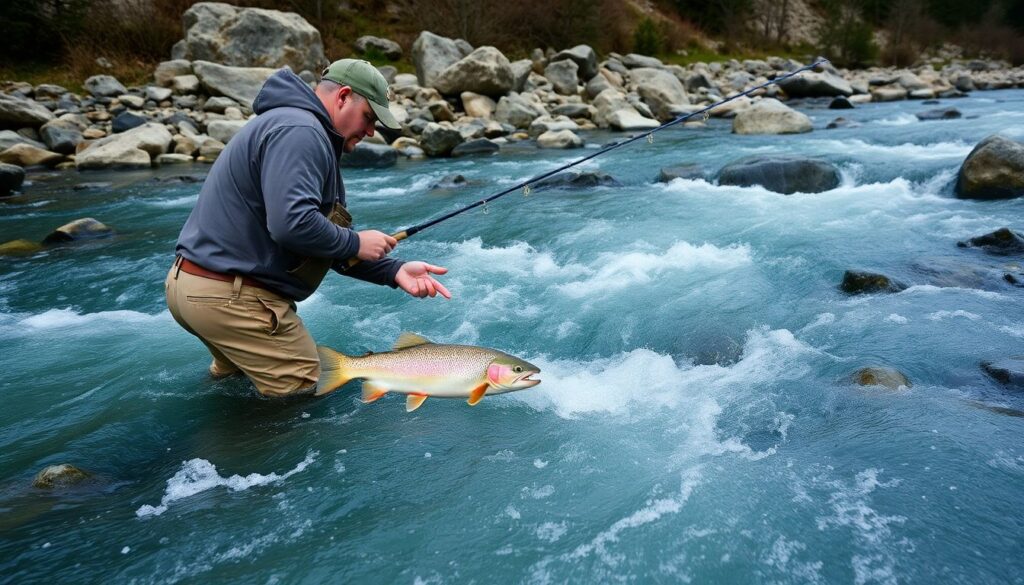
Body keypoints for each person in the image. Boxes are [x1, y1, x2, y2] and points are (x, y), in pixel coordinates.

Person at [165, 59, 450, 398]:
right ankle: (228, 451)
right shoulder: (302, 131)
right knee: (302, 395)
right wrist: (356, 241)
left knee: (235, 387)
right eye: (369, 118)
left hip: (195, 287)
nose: (371, 131)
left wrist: (394, 270)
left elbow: (319, 241)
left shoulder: (294, 125)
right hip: (231, 298)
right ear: (343, 96)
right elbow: (292, 224)